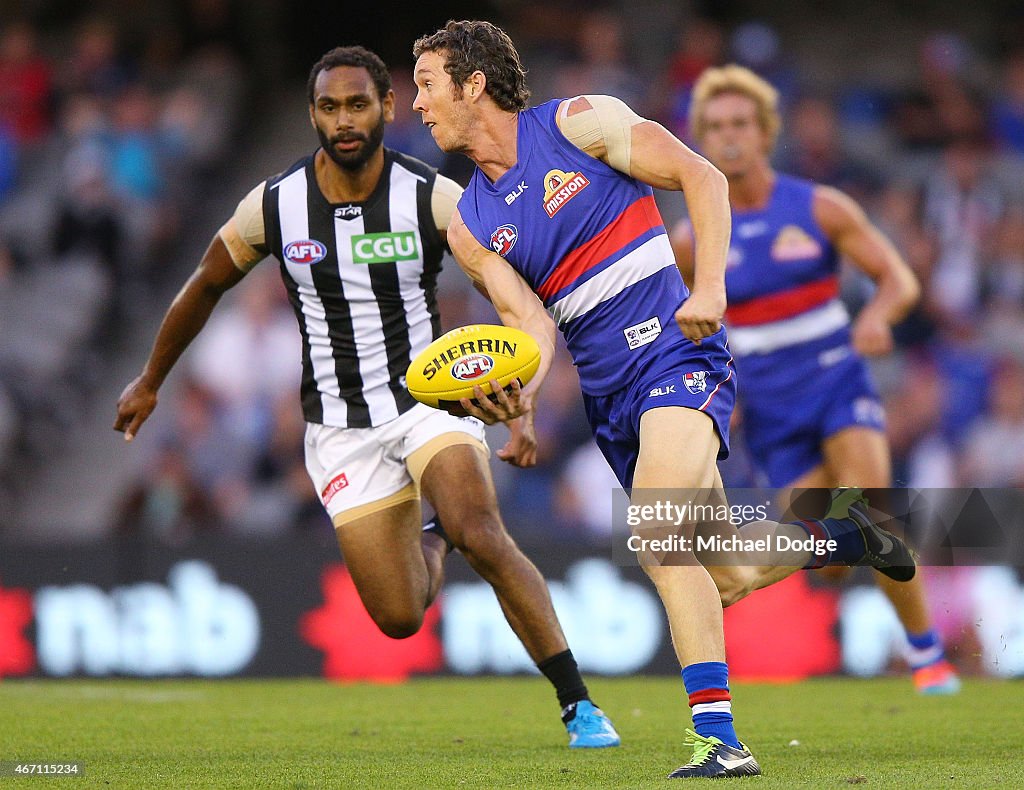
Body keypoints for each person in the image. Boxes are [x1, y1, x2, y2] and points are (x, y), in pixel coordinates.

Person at [412, 20, 916, 779]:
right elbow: (530, 327)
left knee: (654, 535)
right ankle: (847, 536)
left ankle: (720, 741)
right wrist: (516, 404)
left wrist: (709, 286)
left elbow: (704, 179)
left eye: (425, 84)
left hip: (676, 354)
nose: (415, 104)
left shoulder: (583, 124)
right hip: (612, 397)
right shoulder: (471, 225)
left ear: (473, 83)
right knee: (726, 575)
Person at [113, 45, 620, 749]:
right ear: (312, 114)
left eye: (358, 104)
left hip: (429, 406)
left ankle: (579, 706)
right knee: (400, 615)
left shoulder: (431, 196)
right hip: (341, 430)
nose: (344, 120)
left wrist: (524, 397)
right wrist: (150, 380)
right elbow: (204, 285)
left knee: (484, 532)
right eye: (329, 107)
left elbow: (511, 295)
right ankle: (433, 535)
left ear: (387, 107)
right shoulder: (274, 206)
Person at [673, 64, 960, 694]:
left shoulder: (819, 207)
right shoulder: (691, 241)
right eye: (715, 126)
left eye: (741, 124)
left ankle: (926, 655)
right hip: (769, 408)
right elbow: (680, 327)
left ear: (765, 132)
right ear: (699, 138)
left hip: (837, 384)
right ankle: (873, 606)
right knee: (826, 553)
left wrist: (880, 317)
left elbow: (899, 279)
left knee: (872, 518)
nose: (729, 137)